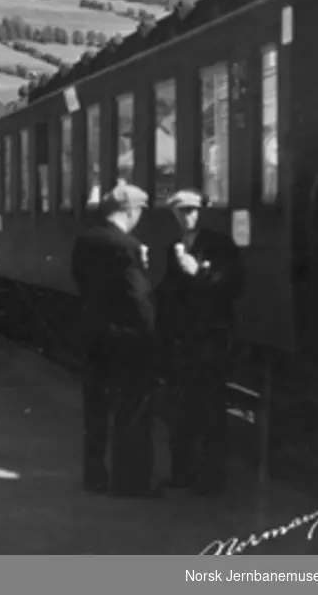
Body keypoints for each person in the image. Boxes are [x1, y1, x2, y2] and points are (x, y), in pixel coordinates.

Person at [71, 182, 160, 498]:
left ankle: (94, 476)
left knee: (95, 408)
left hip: (94, 333)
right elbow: (139, 298)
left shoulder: (85, 241)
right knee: (132, 409)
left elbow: (80, 282)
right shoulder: (129, 247)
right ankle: (131, 483)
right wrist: (151, 334)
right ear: (132, 211)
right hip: (127, 339)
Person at [158, 189, 244, 496]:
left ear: (202, 212)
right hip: (183, 341)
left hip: (210, 340)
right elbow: (168, 294)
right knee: (180, 409)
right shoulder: (174, 248)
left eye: (193, 210)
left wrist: (200, 276)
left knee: (210, 409)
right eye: (182, 211)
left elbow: (233, 286)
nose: (188, 216)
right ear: (174, 215)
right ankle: (182, 474)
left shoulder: (221, 245)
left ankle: (211, 479)